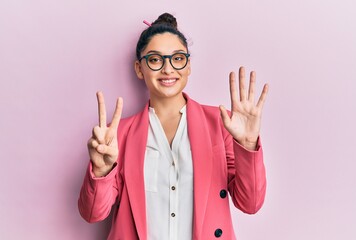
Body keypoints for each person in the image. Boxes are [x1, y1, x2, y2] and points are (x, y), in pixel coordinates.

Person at [78, 12, 269, 240]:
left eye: (177, 58)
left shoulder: (221, 124)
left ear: (188, 66)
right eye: (156, 59)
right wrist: (100, 172)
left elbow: (251, 204)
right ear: (140, 69)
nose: (168, 69)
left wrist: (247, 146)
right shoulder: (118, 133)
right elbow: (92, 214)